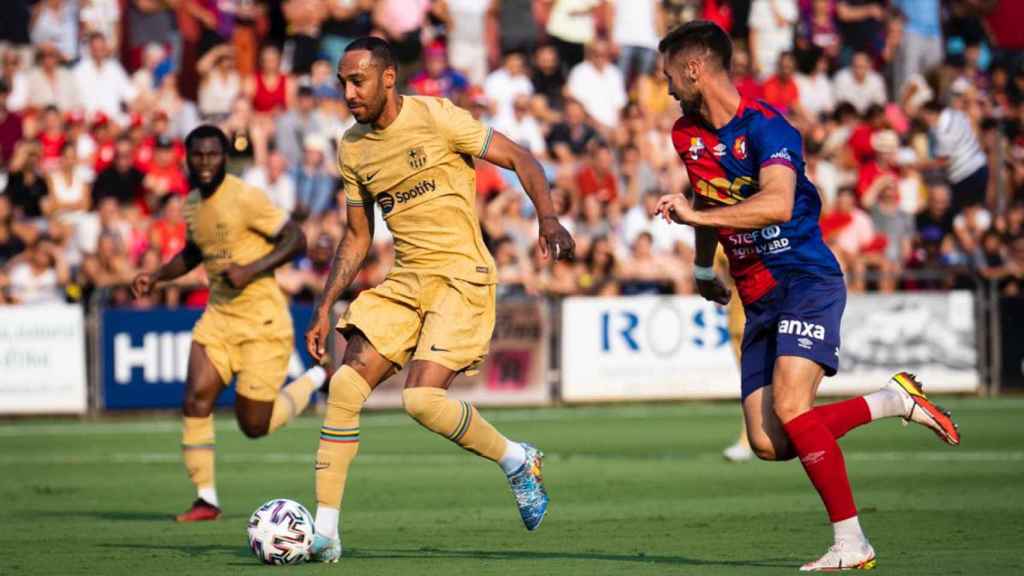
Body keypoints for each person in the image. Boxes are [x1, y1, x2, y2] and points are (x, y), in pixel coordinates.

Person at [653, 21, 960, 572]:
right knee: (769, 443)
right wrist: (703, 266)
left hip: (803, 277)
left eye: (670, 74)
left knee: (794, 408)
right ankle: (893, 401)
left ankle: (852, 543)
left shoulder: (770, 129)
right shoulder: (686, 134)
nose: (668, 87)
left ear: (694, 69)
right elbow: (706, 194)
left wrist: (696, 215)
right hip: (755, 293)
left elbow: (774, 203)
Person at [303, 37, 575, 562]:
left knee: (420, 400)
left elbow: (519, 156)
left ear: (388, 78)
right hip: (407, 280)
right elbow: (357, 236)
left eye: (357, 80)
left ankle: (517, 459)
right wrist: (323, 305)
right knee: (343, 387)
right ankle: (326, 532)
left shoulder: (438, 117)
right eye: (342, 82)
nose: (348, 91)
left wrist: (547, 217)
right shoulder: (352, 146)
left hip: (461, 277)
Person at [130, 125, 328, 523]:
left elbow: (296, 238)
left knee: (254, 426)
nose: (205, 162)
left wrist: (251, 269)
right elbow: (192, 253)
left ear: (224, 157)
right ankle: (206, 499)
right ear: (188, 158)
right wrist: (157, 276)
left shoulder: (244, 197)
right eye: (198, 155)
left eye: (212, 155)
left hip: (263, 323)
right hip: (219, 319)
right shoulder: (190, 205)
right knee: (195, 400)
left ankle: (317, 378)